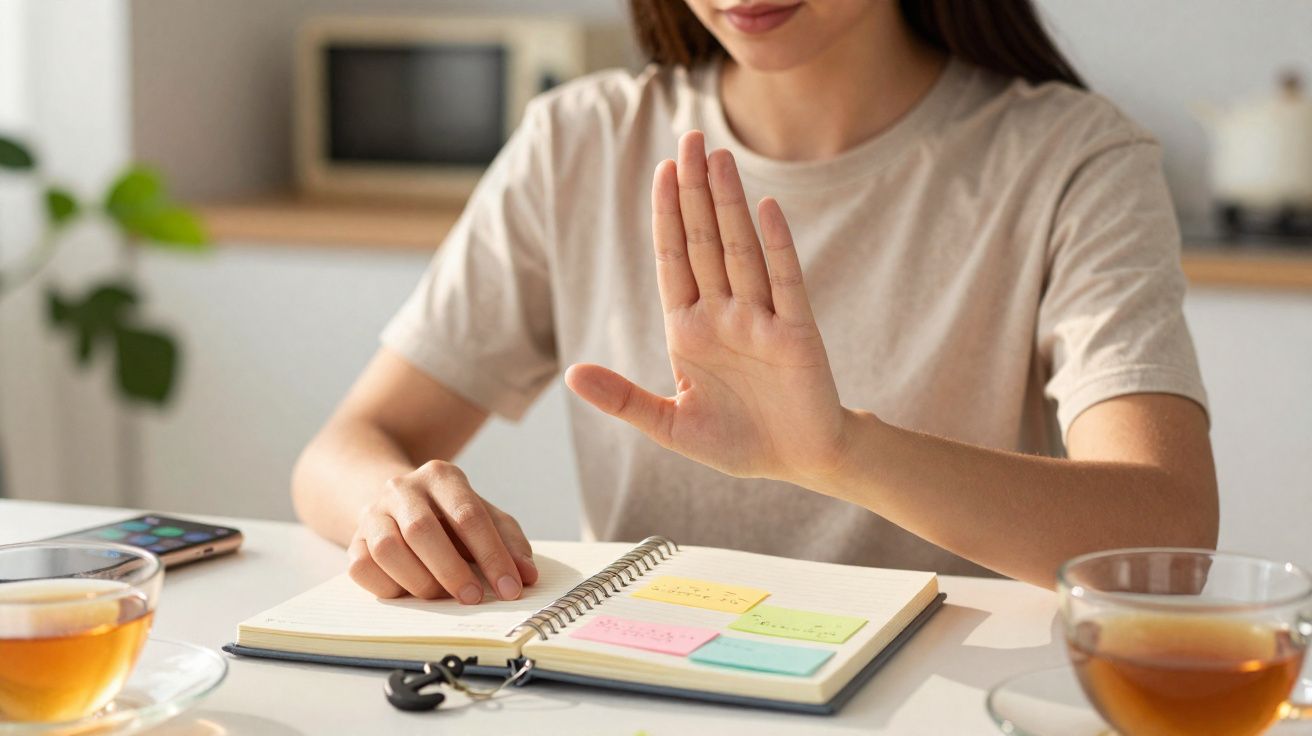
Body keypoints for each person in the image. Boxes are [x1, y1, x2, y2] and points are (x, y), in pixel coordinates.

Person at [292, 0, 1218, 604]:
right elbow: (344, 450)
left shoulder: (1073, 162)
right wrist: (397, 505)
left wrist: (838, 452)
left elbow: (1166, 533)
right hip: (639, 691)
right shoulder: (579, 141)